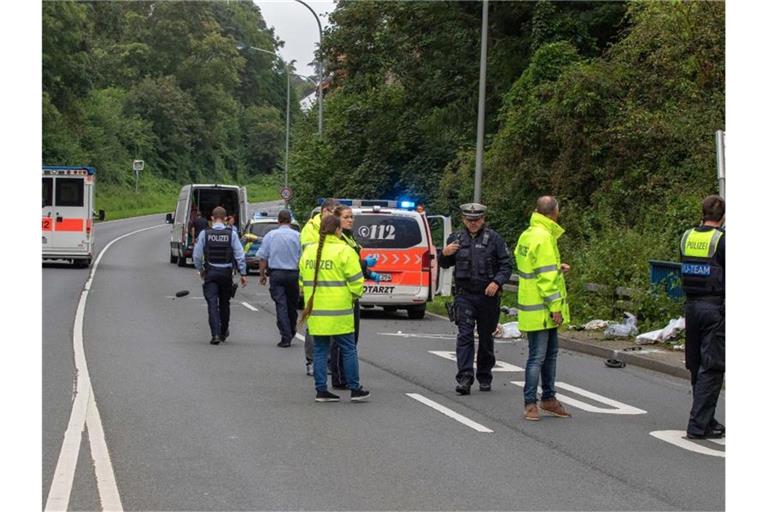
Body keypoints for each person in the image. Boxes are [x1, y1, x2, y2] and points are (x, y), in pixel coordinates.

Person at [438, 202, 512, 395]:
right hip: (465, 295)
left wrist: (496, 282)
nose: (473, 223)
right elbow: (444, 264)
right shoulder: (455, 238)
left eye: (477, 220)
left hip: (488, 297)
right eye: (469, 220)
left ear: (483, 219)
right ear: (463, 219)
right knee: (465, 335)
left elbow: (506, 265)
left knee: (486, 337)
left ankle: (485, 375)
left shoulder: (494, 239)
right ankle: (464, 378)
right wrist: (444, 254)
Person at [299, 214, 370, 402]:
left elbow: (301, 280)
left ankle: (321, 390)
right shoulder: (345, 250)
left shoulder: (309, 251)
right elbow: (356, 281)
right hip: (340, 310)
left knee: (320, 350)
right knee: (348, 348)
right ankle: (355, 388)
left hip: (316, 310)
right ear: (338, 230)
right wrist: (353, 297)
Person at [514, 196, 571, 421]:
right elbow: (546, 278)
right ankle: (531, 403)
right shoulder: (544, 237)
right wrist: (555, 306)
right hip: (544, 308)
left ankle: (548, 399)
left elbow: (533, 266)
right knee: (539, 357)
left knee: (547, 355)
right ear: (554, 212)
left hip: (531, 305)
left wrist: (557, 267)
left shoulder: (528, 234)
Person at [680, 195, 725, 439]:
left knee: (696, 364)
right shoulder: (722, 241)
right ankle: (698, 425)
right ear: (723, 216)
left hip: (692, 307)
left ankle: (707, 420)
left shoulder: (687, 236)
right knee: (713, 366)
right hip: (714, 307)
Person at [329, 205, 382, 389]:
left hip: (352, 293)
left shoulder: (350, 237)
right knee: (341, 339)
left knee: (352, 338)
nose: (350, 220)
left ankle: (345, 374)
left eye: (351, 217)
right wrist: (365, 263)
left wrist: (368, 272)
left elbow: (353, 266)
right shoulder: (338, 239)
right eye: (346, 217)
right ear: (337, 220)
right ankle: (339, 377)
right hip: (341, 294)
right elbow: (345, 262)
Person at [193, 206, 248, 345]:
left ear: (212, 218)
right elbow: (240, 255)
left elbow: (197, 255)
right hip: (226, 274)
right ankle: (224, 331)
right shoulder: (232, 234)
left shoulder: (205, 234)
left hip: (210, 273)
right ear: (225, 219)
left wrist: (200, 270)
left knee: (212, 303)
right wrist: (243, 273)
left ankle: (215, 334)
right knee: (225, 303)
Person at [299, 198, 339, 375]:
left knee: (330, 325)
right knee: (313, 326)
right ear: (323, 211)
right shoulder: (310, 229)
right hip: (314, 284)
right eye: (332, 212)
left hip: (331, 284)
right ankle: (312, 361)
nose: (334, 217)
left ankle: (328, 362)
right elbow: (308, 256)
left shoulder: (337, 229)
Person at [256, 210, 301, 348]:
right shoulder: (298, 236)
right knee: (292, 305)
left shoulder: (270, 235)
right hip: (293, 274)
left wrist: (262, 274)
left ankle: (285, 336)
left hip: (276, 274)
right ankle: (292, 329)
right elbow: (303, 256)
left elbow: (263, 257)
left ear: (278, 221)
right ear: (290, 221)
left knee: (281, 305)